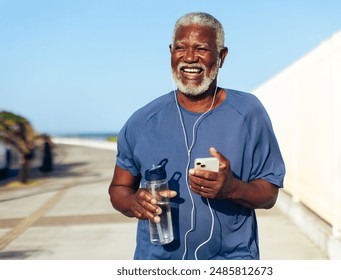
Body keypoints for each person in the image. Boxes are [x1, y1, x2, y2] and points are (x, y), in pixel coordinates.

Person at [109, 12, 285, 260]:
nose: (189, 58)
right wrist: (132, 203)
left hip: (232, 261)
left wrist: (232, 188)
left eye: (201, 49)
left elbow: (269, 195)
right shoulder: (142, 121)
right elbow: (119, 188)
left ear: (221, 56)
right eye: (181, 48)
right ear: (171, 52)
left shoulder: (248, 113)